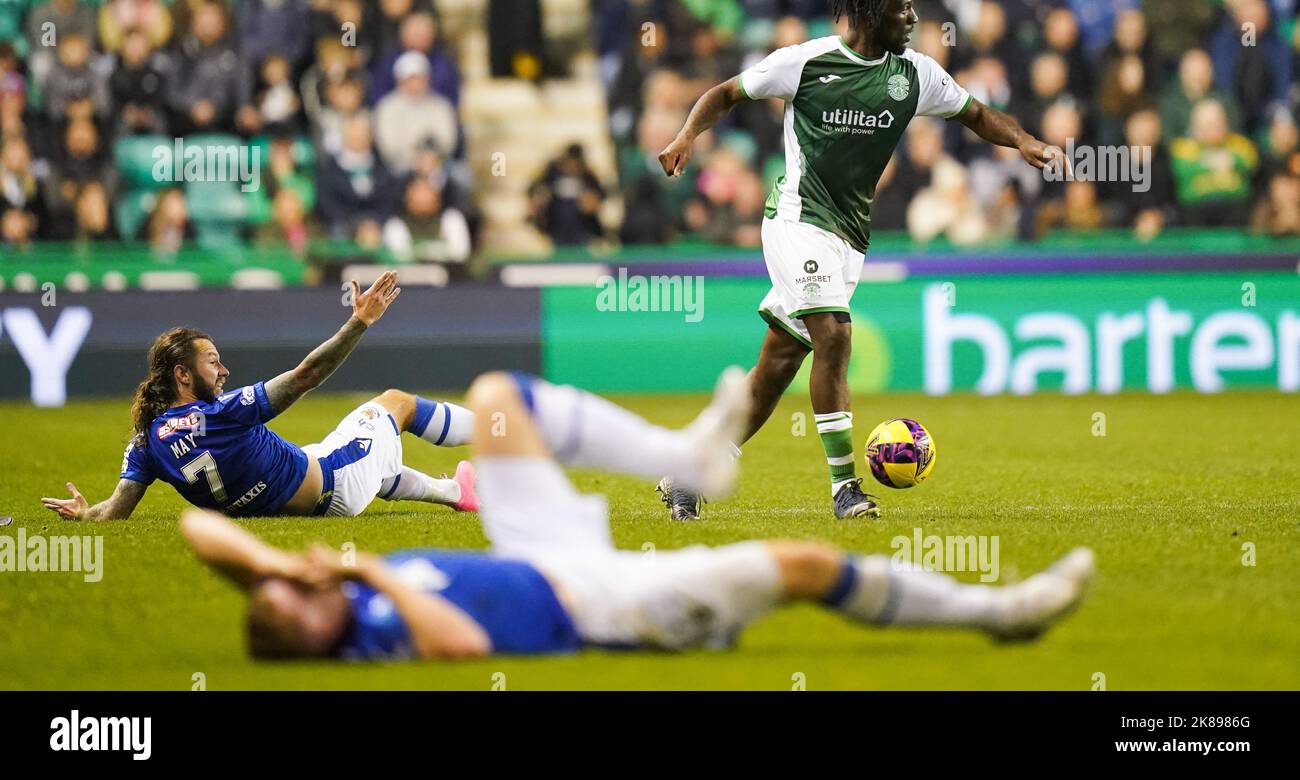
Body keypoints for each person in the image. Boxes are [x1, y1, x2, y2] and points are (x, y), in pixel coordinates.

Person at [178, 367, 1094, 660]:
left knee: (498, 397)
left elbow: (196, 530)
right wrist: (362, 571)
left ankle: (687, 460)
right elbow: (462, 647)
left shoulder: (317, 596)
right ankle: (998, 613)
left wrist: (281, 571)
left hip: (536, 548)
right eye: (288, 609)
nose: (287, 593)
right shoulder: (372, 633)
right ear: (310, 636)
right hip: (594, 600)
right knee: (804, 565)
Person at [655, 0, 1065, 521]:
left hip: (849, 234)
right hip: (797, 219)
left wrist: (1025, 142)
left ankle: (691, 473)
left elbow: (976, 115)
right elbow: (725, 93)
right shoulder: (805, 62)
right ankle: (845, 490)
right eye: (904, 8)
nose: (914, 17)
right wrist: (684, 137)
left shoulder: (914, 74)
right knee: (835, 336)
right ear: (873, 12)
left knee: (778, 364)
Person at [41, 272, 479, 522]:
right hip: (334, 484)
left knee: (378, 466)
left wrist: (84, 514)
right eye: (212, 361)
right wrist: (360, 323)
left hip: (303, 482)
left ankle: (456, 491)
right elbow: (308, 374)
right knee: (395, 403)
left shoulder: (146, 443)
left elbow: (116, 510)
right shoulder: (224, 414)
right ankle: (502, 429)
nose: (224, 370)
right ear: (182, 374)